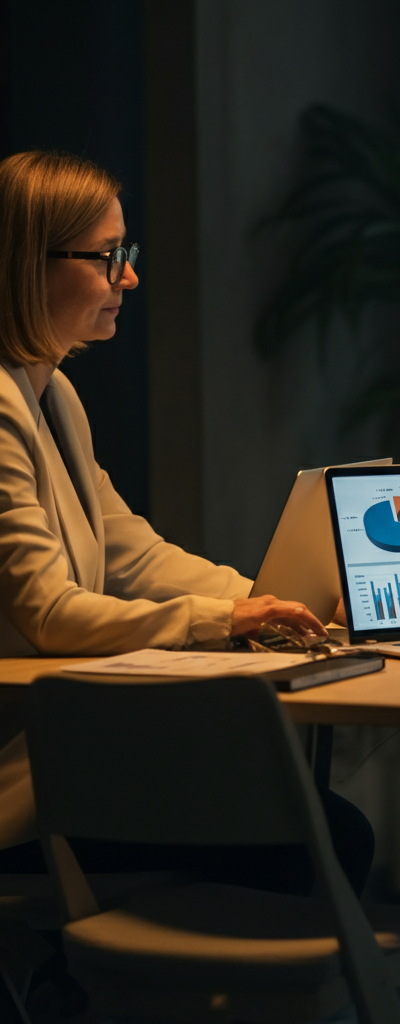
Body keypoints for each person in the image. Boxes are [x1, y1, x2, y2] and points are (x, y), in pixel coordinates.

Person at [0, 151, 372, 897]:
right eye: (109, 257)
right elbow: (47, 614)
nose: (129, 278)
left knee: (322, 830)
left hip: (71, 761)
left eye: (125, 255)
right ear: (25, 263)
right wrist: (225, 619)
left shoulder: (54, 396)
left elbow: (137, 557)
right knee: (322, 837)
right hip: (28, 783)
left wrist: (273, 603)